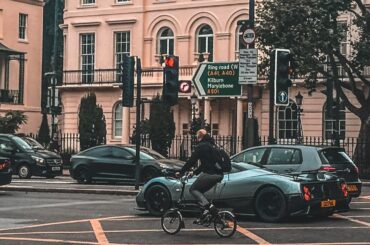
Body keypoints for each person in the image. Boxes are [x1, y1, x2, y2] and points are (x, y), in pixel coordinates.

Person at [176, 129, 223, 223]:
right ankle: (205, 214)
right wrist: (194, 173)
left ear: (200, 137)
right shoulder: (212, 145)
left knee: (193, 189)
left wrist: (181, 172)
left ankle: (211, 208)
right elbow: (205, 164)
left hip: (210, 174)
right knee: (199, 192)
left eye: (197, 138)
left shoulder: (202, 146)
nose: (197, 140)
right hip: (219, 175)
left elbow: (191, 161)